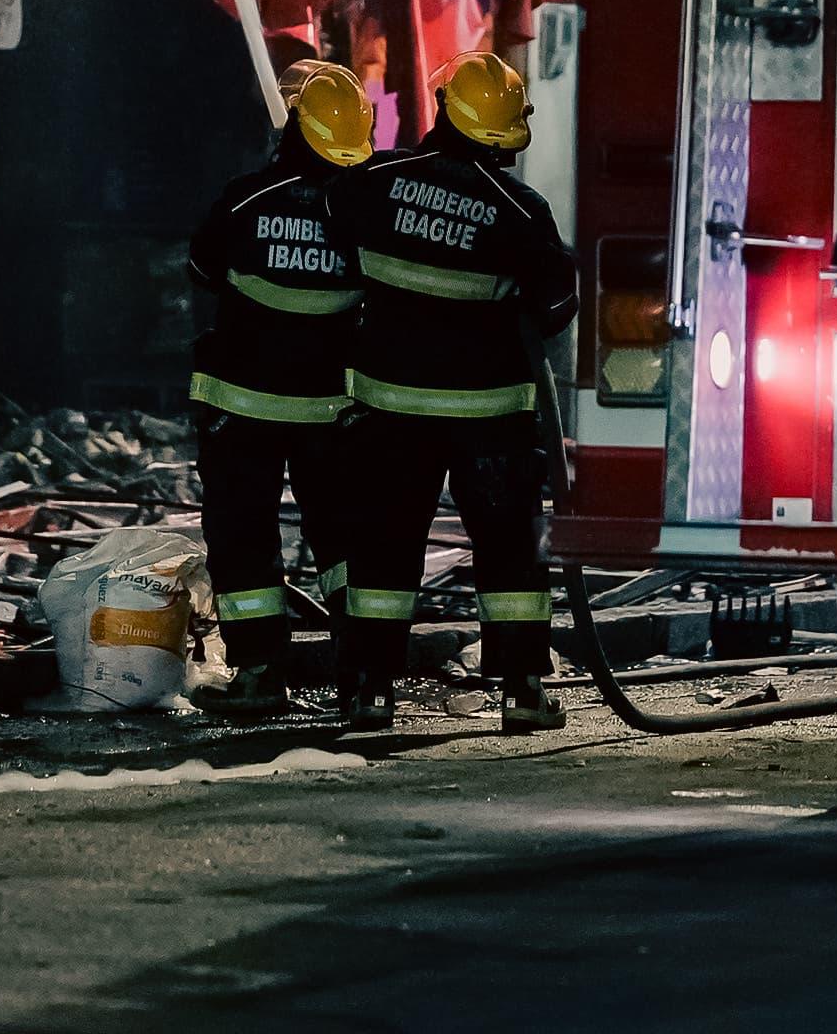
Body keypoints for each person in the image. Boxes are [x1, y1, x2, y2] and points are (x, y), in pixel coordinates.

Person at [338, 50, 578, 735]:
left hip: (391, 412)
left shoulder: (374, 181)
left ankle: (371, 696)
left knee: (383, 552)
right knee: (508, 552)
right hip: (492, 420)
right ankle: (523, 693)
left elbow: (336, 238)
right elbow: (558, 306)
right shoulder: (521, 211)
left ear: (443, 108)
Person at [188, 59, 375, 716]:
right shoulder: (366, 216)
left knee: (244, 540)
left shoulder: (244, 199)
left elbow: (202, 267)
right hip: (335, 415)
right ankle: (363, 679)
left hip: (242, 408)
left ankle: (261, 674)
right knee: (349, 544)